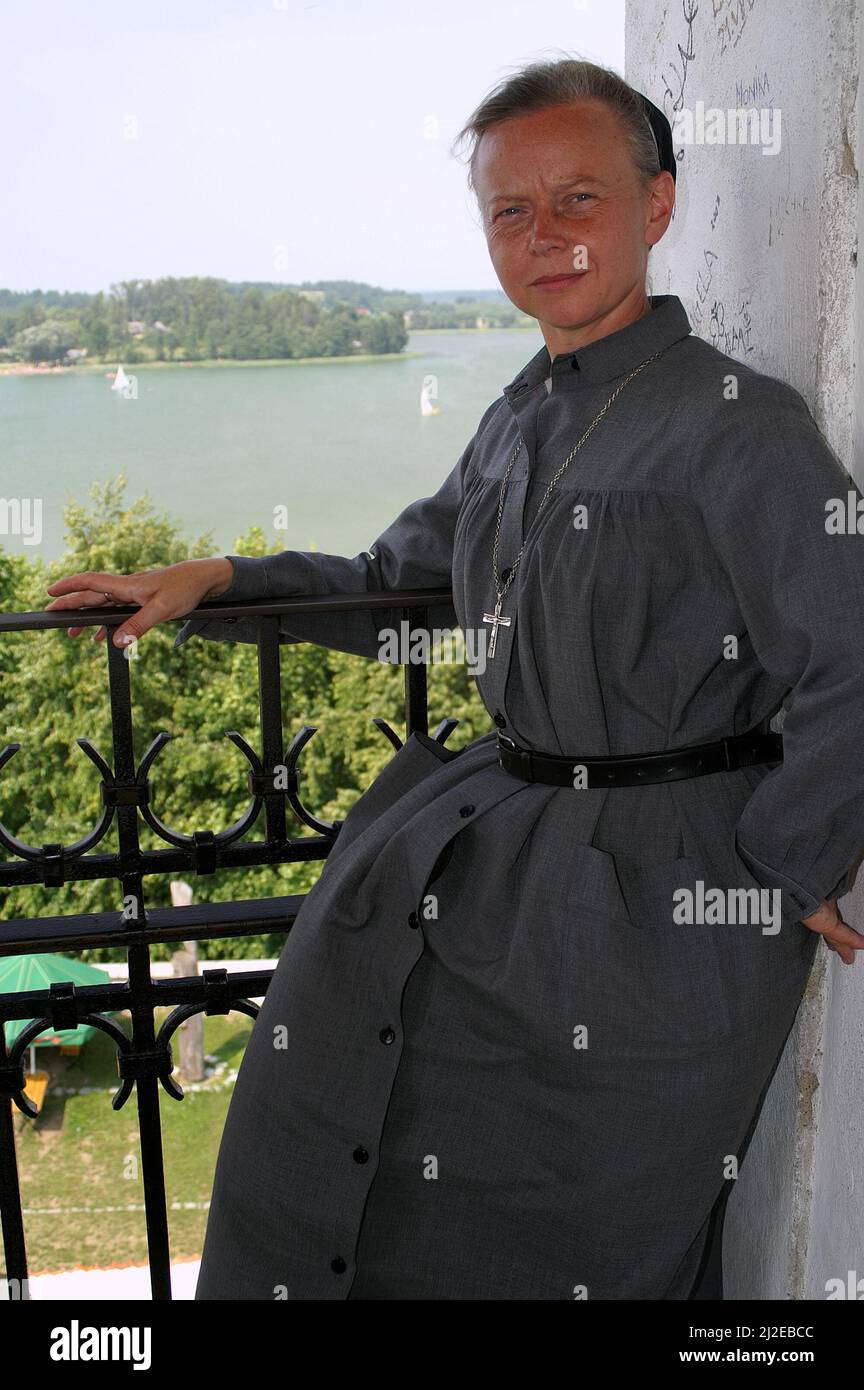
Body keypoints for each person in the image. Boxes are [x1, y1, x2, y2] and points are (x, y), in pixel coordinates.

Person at [45, 57, 864, 1300]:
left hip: (653, 916)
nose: (544, 238)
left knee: (568, 1238)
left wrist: (799, 857)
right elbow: (404, 584)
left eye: (577, 200)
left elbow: (850, 647)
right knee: (356, 1173)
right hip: (494, 878)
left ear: (656, 206)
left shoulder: (737, 424)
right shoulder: (525, 412)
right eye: (509, 211)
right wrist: (215, 579)